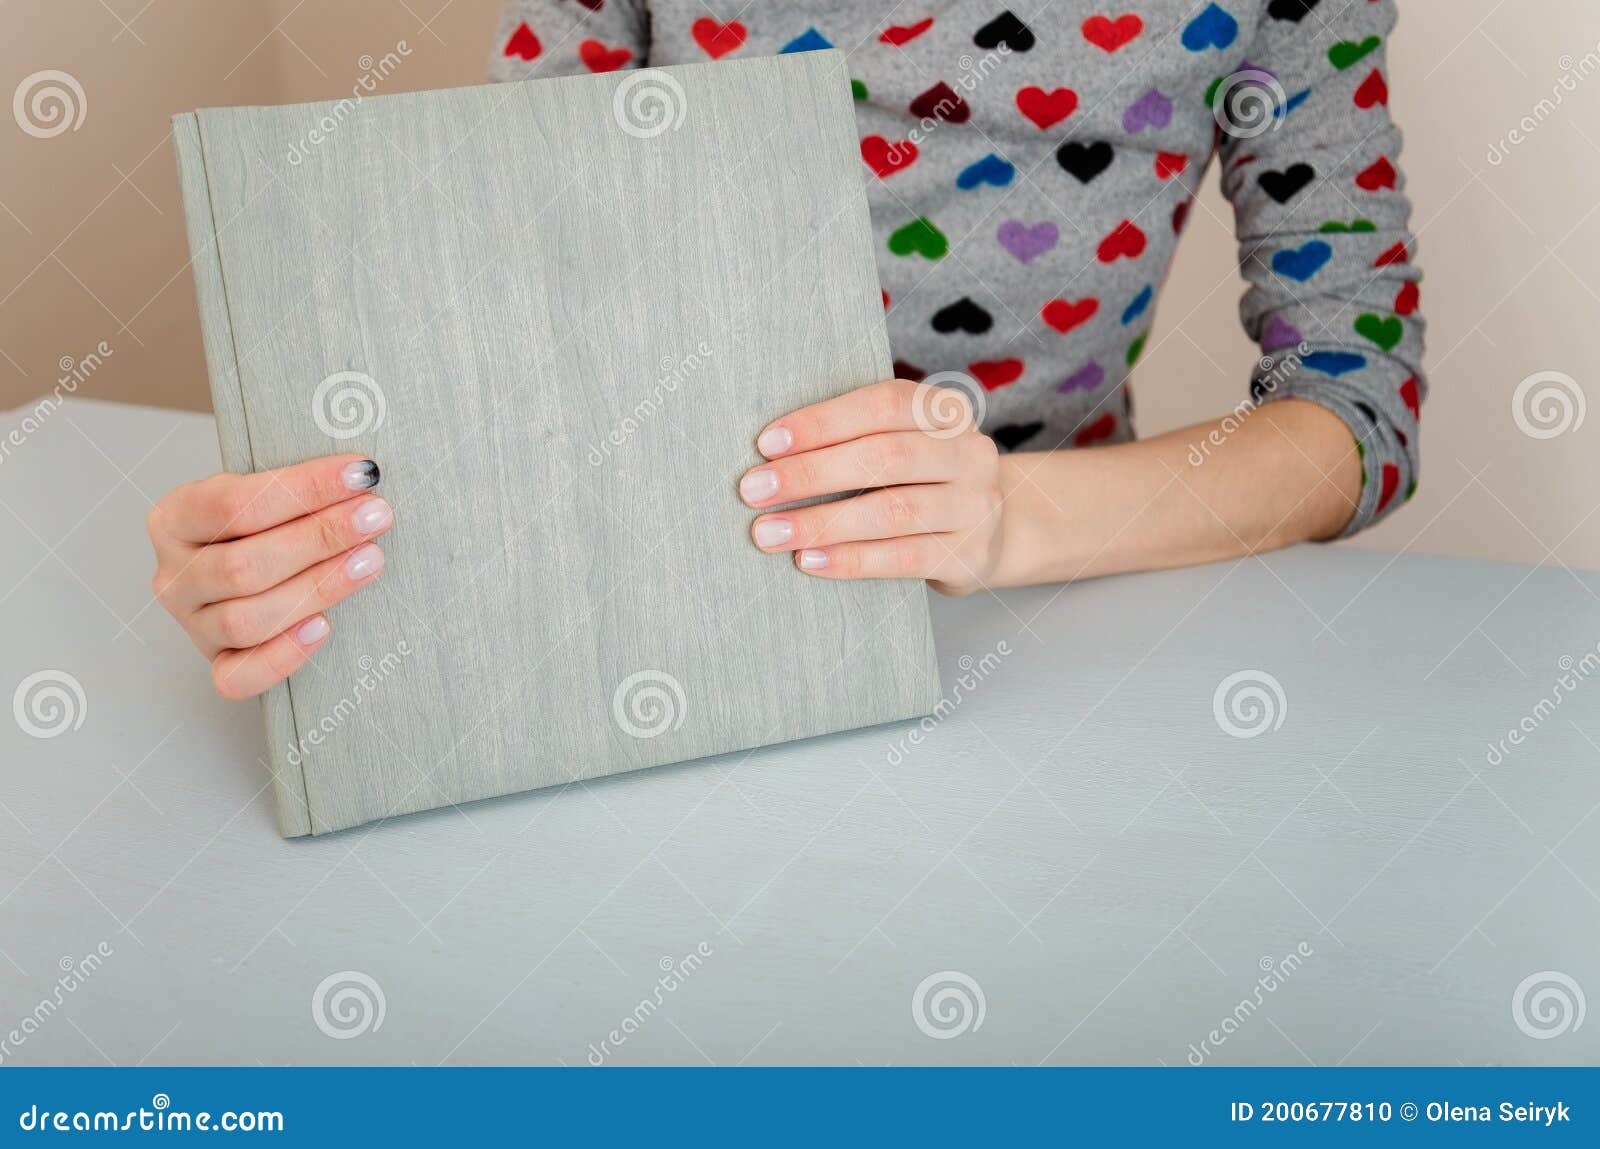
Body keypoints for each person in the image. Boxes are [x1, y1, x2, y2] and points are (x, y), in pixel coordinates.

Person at [145, 0, 1423, 699]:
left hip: (1065, 609)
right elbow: (510, 269)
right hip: (652, 588)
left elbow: (1357, 409)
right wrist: (299, 540)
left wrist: (1003, 518)